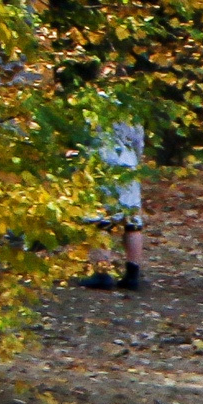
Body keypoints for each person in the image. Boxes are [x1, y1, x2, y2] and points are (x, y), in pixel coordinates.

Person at [81, 119, 147, 292]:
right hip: (128, 160)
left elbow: (84, 135)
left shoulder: (92, 104)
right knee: (133, 222)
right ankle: (132, 274)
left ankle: (102, 272)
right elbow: (138, 139)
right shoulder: (130, 107)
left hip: (101, 159)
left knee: (100, 219)